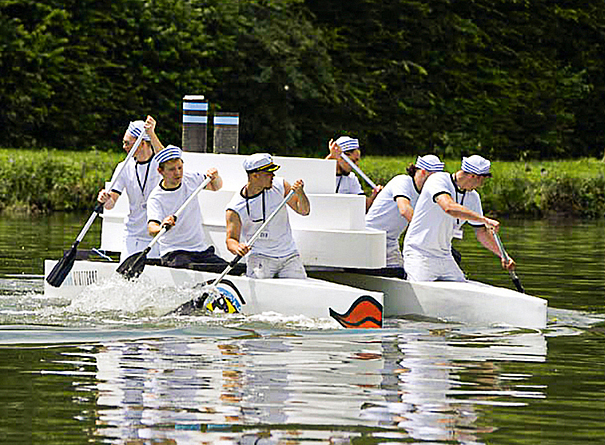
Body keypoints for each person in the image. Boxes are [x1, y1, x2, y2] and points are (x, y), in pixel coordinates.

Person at [402, 155, 516, 282]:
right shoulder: (438, 180)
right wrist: (484, 219)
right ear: (474, 176)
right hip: (419, 253)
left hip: (444, 256)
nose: (481, 185)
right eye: (482, 181)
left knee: (464, 286)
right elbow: (449, 207)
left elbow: (481, 233)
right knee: (423, 290)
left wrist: (503, 255)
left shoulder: (473, 197)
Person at [225, 153, 311, 279]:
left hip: (289, 255)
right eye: (268, 173)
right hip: (260, 256)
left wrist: (300, 193)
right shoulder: (235, 208)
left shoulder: (281, 185)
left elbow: (304, 211)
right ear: (255, 176)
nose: (273, 176)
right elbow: (230, 240)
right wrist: (238, 248)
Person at [146, 145, 229, 271]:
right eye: (172, 169)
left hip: (200, 250)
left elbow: (216, 187)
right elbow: (151, 229)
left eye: (180, 167)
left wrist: (215, 176)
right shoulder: (156, 198)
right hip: (174, 252)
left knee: (229, 270)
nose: (178, 173)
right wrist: (162, 226)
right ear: (160, 171)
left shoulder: (191, 179)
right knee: (187, 269)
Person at [97, 116, 165, 262]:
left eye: (127, 143)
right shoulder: (123, 167)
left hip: (157, 234)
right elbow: (110, 204)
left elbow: (167, 159)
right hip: (132, 235)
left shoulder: (160, 164)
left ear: (141, 144)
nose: (124, 147)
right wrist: (105, 199)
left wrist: (151, 133)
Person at [364, 154, 444, 277]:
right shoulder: (402, 181)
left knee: (402, 274)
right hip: (369, 236)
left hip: (391, 242)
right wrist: (428, 232)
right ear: (422, 172)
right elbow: (405, 209)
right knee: (397, 273)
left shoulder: (427, 195)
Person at [326, 136, 382, 211]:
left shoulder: (351, 178)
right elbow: (319, 172)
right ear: (339, 157)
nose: (357, 165)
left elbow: (363, 207)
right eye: (353, 161)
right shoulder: (323, 175)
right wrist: (331, 157)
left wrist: (374, 196)